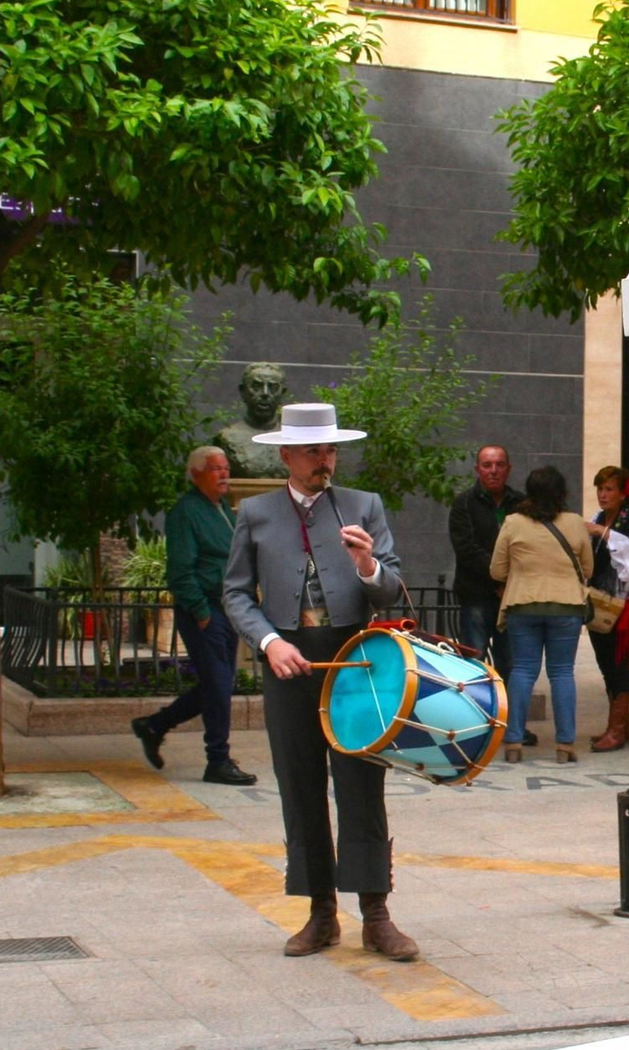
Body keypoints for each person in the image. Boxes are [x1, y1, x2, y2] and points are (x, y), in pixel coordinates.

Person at [221, 401, 419, 962]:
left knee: (361, 784)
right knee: (300, 785)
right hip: (289, 664)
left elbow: (392, 588)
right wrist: (269, 642)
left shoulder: (363, 506)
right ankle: (319, 913)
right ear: (287, 455)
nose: (324, 461)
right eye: (313, 451)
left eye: (330, 450)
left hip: (354, 662)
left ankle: (376, 915)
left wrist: (367, 566)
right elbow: (235, 591)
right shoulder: (256, 513)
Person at [131, 446, 257, 785]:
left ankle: (154, 725)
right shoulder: (186, 512)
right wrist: (201, 613)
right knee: (218, 686)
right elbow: (180, 573)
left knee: (218, 685)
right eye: (215, 468)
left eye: (225, 467)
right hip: (205, 611)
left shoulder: (225, 512)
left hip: (228, 608)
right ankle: (217, 759)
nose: (223, 474)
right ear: (196, 474)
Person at [489, 465, 593, 764]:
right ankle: (565, 744)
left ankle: (513, 743)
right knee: (562, 672)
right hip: (566, 607)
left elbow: (496, 570)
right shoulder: (575, 523)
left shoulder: (513, 522)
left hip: (524, 604)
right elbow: (588, 569)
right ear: (562, 492)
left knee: (522, 670)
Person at [446, 445, 534, 746]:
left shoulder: (523, 504)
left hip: (513, 599)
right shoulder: (463, 504)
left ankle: (510, 724)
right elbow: (466, 549)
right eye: (487, 465)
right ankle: (475, 724)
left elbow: (530, 546)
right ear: (477, 470)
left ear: (508, 468)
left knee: (512, 662)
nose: (493, 470)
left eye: (499, 465)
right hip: (477, 596)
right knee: (474, 661)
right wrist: (499, 576)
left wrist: (510, 581)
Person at [584, 466, 629, 752]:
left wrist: (603, 533)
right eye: (600, 488)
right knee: (605, 662)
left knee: (618, 664)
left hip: (622, 603)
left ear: (623, 494)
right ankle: (619, 725)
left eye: (609, 489)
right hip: (599, 602)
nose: (603, 494)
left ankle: (617, 729)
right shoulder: (598, 518)